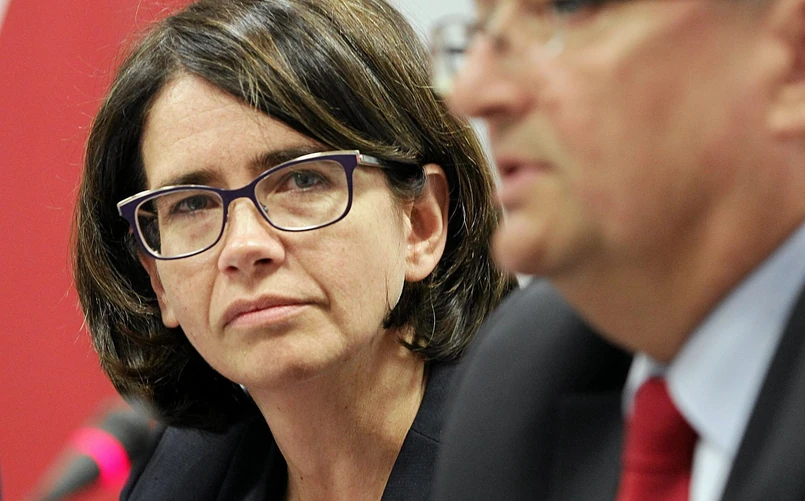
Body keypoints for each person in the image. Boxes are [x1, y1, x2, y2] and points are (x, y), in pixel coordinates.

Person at [71, 0, 516, 499]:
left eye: (302, 181)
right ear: (157, 278)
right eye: (192, 205)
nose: (244, 246)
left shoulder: (534, 461)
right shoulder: (180, 481)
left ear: (420, 224)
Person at [430, 0, 805, 500]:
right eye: (481, 28)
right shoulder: (519, 382)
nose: (472, 94)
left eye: (566, 7)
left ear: (793, 55)